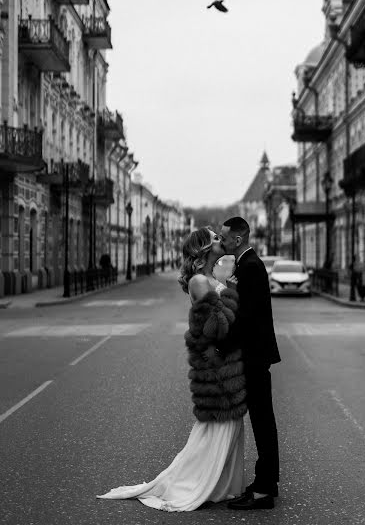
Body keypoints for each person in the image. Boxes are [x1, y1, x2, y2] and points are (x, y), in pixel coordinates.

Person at [97, 227, 247, 512]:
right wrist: (232, 292)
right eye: (215, 238)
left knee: (226, 425)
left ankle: (217, 484)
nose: (221, 240)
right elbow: (216, 326)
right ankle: (197, 483)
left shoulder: (209, 278)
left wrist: (227, 288)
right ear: (203, 249)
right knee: (218, 424)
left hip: (224, 361)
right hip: (216, 365)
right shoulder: (200, 282)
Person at [218, 216, 281, 510]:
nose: (222, 242)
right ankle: (264, 483)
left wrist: (223, 345)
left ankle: (264, 491)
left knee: (263, 421)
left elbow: (246, 319)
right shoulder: (247, 264)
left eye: (224, 237)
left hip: (254, 356)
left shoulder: (251, 267)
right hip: (254, 355)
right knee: (261, 420)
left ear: (238, 239)